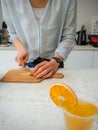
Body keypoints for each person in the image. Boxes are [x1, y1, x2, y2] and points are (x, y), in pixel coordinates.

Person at [1, 0, 77, 79]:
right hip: (28, 63)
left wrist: (56, 60)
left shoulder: (68, 1)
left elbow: (69, 36)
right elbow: (12, 32)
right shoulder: (8, 1)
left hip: (55, 62)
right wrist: (21, 48)